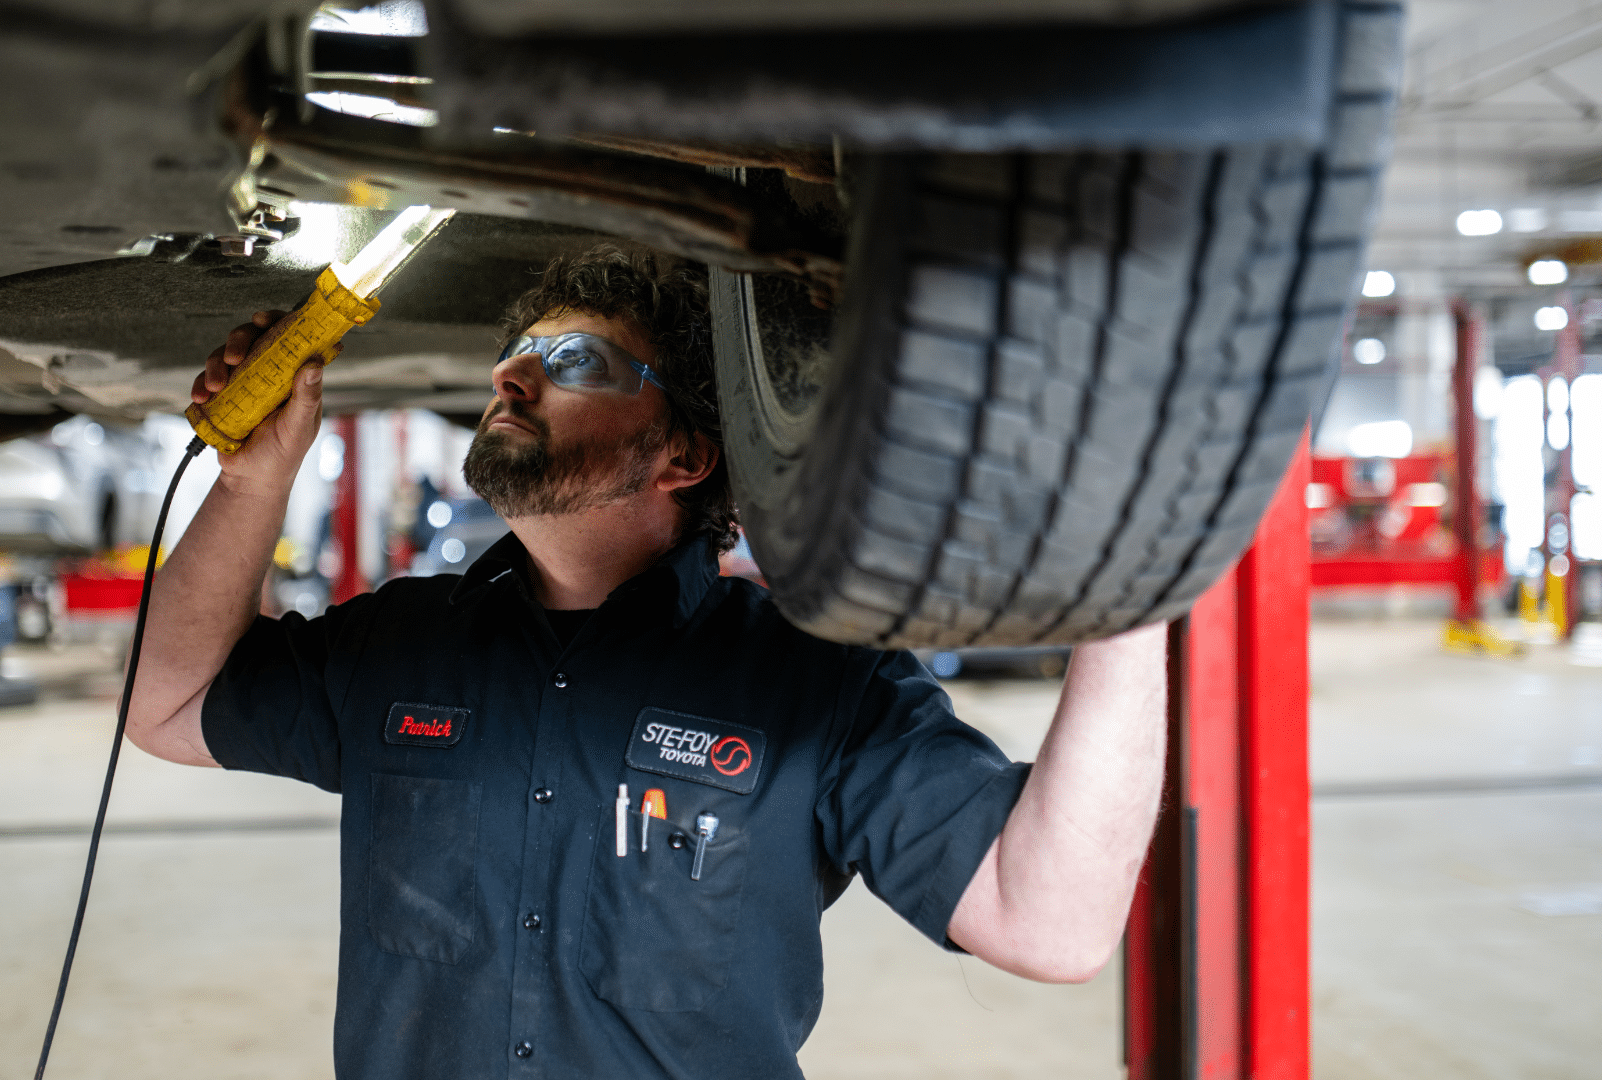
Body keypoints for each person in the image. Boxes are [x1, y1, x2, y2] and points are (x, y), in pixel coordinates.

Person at [126, 246, 1168, 1080]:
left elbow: (1051, 923)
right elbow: (169, 705)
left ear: (684, 455)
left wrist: (1137, 578)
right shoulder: (402, 643)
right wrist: (252, 485)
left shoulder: (815, 681)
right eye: (518, 353)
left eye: (576, 362)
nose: (510, 375)